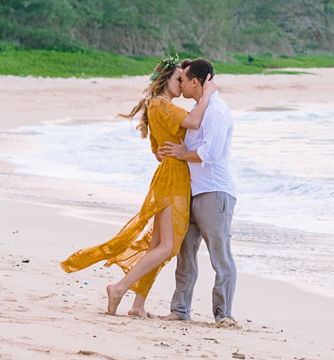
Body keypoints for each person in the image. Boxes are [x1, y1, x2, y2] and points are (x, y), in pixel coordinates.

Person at [59, 56, 216, 317]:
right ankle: (119, 289)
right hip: (173, 179)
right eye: (178, 79)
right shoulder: (162, 105)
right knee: (168, 247)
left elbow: (157, 151)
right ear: (165, 81)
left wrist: (173, 148)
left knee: (158, 247)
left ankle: (138, 304)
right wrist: (207, 96)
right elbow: (194, 122)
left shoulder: (157, 107)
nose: (182, 84)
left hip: (168, 175)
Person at [157, 57, 239, 327]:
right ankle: (180, 310)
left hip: (215, 193)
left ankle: (223, 314)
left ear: (195, 82)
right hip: (193, 192)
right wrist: (168, 151)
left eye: (183, 80)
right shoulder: (199, 110)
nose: (180, 84)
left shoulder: (215, 111)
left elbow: (210, 153)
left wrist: (183, 154)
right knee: (185, 253)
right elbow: (184, 138)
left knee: (220, 255)